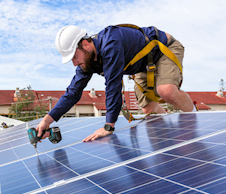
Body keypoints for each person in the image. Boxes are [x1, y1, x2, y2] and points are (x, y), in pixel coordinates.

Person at [36, 24, 195, 142]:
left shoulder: (110, 43)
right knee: (149, 109)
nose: (74, 63)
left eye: (74, 57)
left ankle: (196, 124)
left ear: (85, 44)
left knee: (166, 90)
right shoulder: (87, 60)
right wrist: (46, 120)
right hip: (142, 66)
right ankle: (168, 140)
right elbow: (72, 94)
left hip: (163, 50)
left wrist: (109, 126)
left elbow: (113, 86)